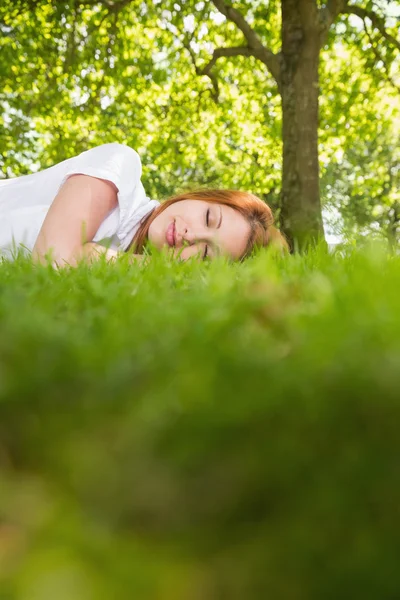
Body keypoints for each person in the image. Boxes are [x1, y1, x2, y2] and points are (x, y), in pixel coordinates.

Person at [0, 143, 288, 266]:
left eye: (205, 253)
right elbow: (51, 260)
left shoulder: (126, 282)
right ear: (199, 196)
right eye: (209, 218)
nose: (192, 236)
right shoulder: (120, 170)